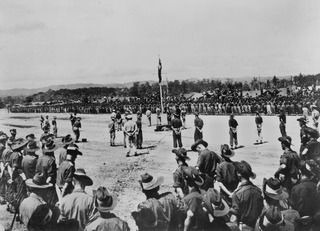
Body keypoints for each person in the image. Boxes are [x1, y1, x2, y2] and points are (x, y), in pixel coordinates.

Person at [230, 160, 263, 231]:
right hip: (256, 226)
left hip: (243, 227)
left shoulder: (237, 194)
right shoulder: (258, 190)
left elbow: (234, 218)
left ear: (239, 173)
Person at [36, 138, 58, 206]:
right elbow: (51, 176)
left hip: (40, 182)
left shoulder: (40, 158)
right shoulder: (51, 160)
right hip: (48, 185)